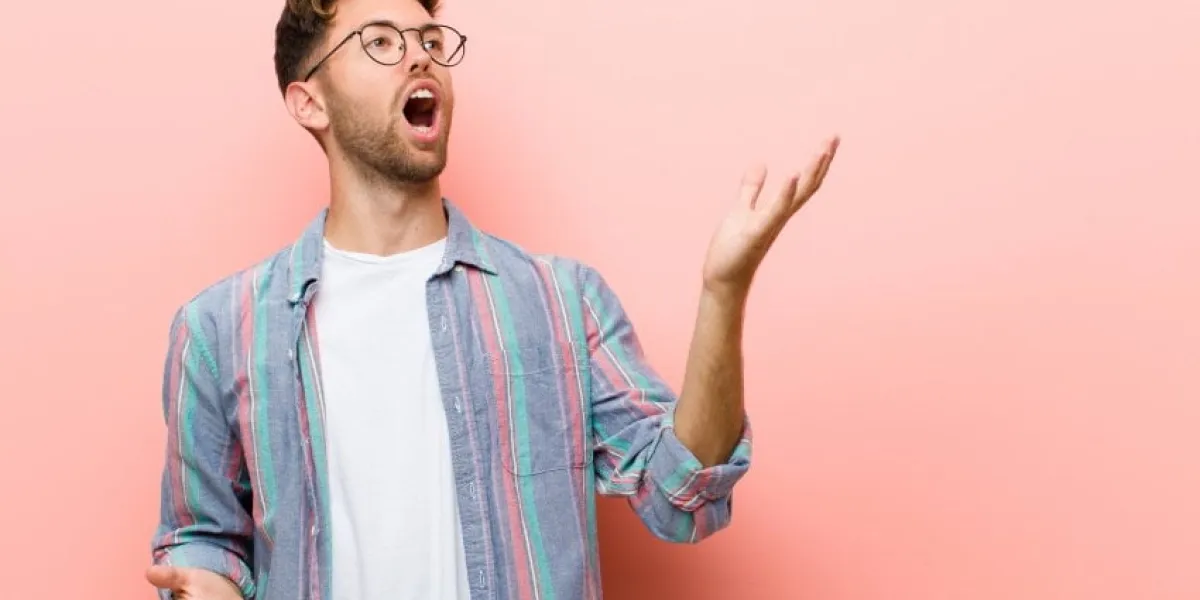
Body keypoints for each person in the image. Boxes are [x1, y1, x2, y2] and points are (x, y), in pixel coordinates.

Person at [144, 0, 839, 598]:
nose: (420, 58)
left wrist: (725, 291)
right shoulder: (220, 330)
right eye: (381, 42)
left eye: (430, 42)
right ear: (309, 101)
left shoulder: (561, 302)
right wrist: (206, 581)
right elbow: (201, 541)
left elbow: (684, 496)